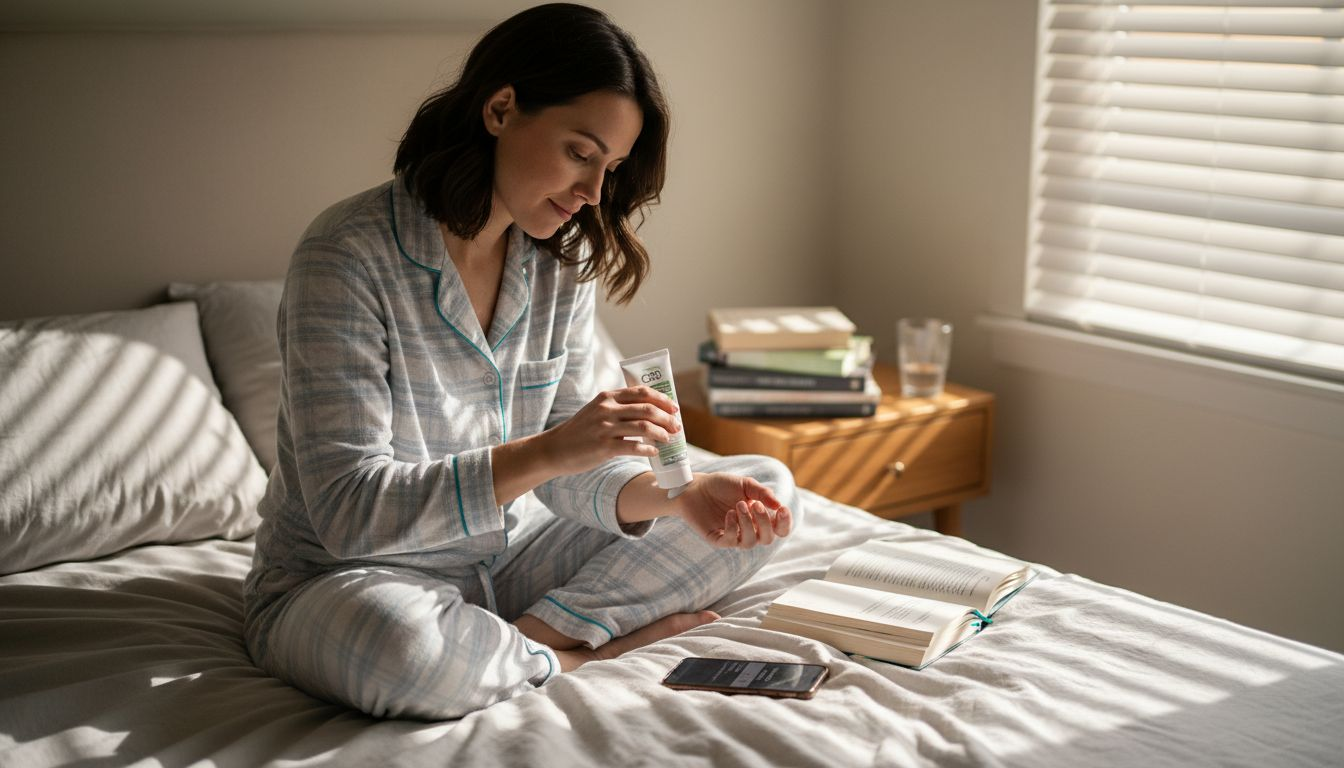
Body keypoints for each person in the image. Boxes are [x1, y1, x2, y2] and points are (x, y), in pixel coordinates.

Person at [242, 3, 802, 721]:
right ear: (502, 109)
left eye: (611, 168)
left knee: (763, 487)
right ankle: (579, 654)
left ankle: (525, 642)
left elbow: (572, 473)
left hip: (510, 561)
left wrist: (676, 496)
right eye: (580, 152)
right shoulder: (345, 256)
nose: (594, 193)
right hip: (354, 579)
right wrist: (548, 452)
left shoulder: (556, 268)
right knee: (403, 649)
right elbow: (350, 513)